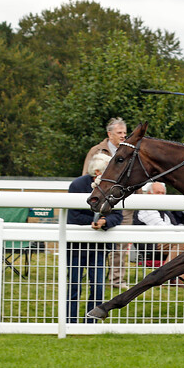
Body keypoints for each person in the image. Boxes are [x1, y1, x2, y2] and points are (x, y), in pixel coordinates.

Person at [67, 153, 123, 323]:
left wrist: (105, 222)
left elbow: (117, 215)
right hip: (76, 246)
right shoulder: (77, 185)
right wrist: (92, 223)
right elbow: (73, 216)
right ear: (98, 172)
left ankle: (91, 322)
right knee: (74, 285)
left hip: (98, 246)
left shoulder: (112, 186)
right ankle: (70, 320)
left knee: (98, 286)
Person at [83, 117, 132, 288]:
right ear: (109, 134)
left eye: (125, 133)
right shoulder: (96, 150)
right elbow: (86, 175)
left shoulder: (129, 151)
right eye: (119, 133)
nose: (123, 136)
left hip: (123, 203)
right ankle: (93, 276)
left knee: (122, 242)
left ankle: (117, 279)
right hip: (102, 202)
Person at [134, 182, 184, 285]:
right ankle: (166, 277)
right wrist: (181, 231)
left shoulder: (165, 210)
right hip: (151, 244)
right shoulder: (146, 208)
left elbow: (174, 227)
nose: (161, 195)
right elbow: (163, 228)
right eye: (158, 192)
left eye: (163, 193)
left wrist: (180, 230)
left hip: (166, 241)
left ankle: (176, 278)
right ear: (149, 194)